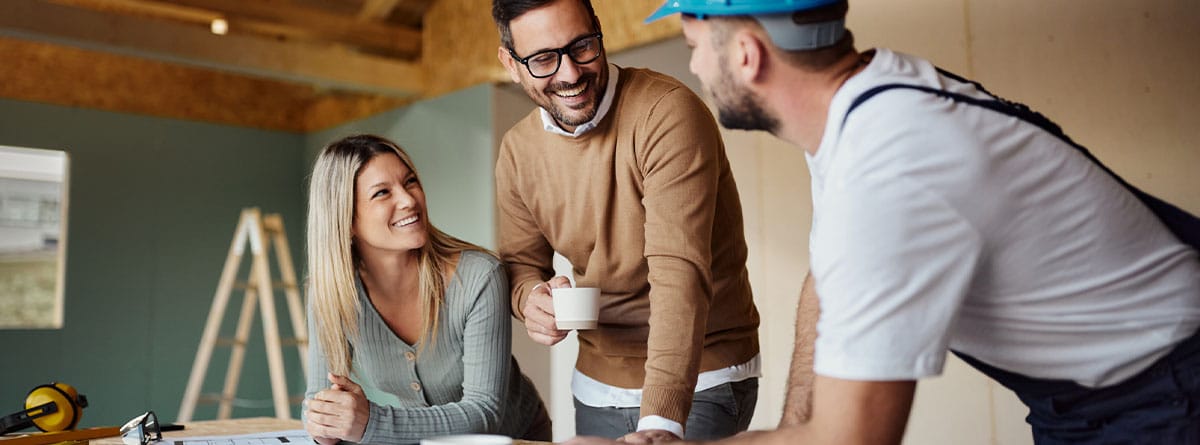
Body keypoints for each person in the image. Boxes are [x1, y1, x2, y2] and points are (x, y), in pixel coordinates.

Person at [566, 0, 1200, 444]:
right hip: (1096, 394)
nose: (698, 70)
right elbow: (827, 281)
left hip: (1164, 391)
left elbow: (855, 437)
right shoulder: (863, 105)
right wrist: (792, 431)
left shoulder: (889, 165)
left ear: (749, 55)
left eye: (695, 49)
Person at [490, 0, 762, 441]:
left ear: (598, 30)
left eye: (581, 46)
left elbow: (679, 272)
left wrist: (660, 421)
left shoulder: (666, 112)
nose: (569, 74)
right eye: (542, 59)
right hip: (598, 384)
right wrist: (529, 301)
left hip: (701, 376)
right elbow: (521, 263)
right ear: (511, 62)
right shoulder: (518, 151)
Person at [302, 134, 551, 444]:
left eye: (410, 182)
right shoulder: (330, 292)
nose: (408, 200)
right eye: (382, 193)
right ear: (345, 219)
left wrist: (370, 421)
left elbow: (484, 413)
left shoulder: (479, 277)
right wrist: (327, 425)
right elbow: (316, 398)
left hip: (517, 438)